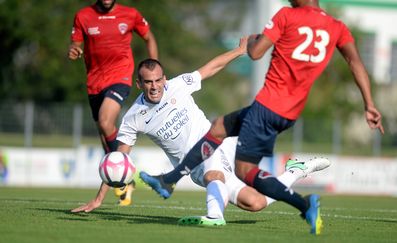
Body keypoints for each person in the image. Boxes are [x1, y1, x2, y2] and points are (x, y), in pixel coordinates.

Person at [140, 0, 385, 235]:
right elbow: (356, 63)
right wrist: (369, 103)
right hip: (289, 112)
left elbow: (256, 53)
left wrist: (251, 41)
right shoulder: (337, 27)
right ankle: (169, 180)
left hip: (267, 106)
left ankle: (304, 205)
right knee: (217, 129)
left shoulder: (287, 16)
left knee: (246, 171)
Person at [71, 37, 331, 226]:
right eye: (147, 82)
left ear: (164, 78)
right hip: (195, 167)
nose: (154, 87)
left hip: (220, 144)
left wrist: (240, 50)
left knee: (216, 165)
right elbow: (119, 161)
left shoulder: (178, 85)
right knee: (256, 203)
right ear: (138, 83)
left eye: (158, 80)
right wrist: (98, 199)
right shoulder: (132, 118)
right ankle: (296, 171)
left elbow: (210, 68)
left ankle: (214, 217)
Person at [68, 0, 158, 206]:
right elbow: (76, 43)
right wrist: (73, 49)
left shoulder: (131, 14)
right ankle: (122, 181)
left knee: (105, 121)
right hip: (94, 82)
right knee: (104, 133)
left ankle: (124, 168)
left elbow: (149, 37)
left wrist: (155, 68)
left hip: (121, 74)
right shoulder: (83, 16)